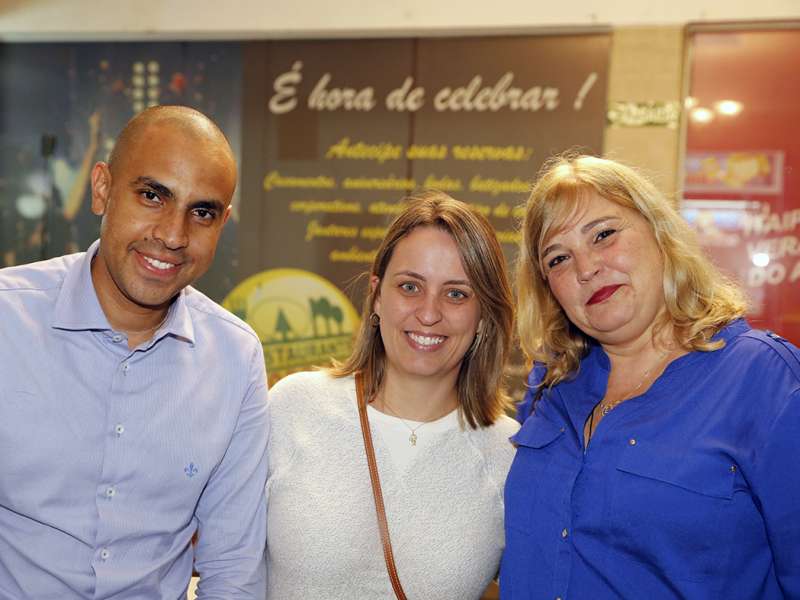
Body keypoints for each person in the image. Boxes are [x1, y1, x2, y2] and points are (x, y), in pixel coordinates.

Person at [500, 154, 800, 599]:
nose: (586, 268)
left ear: (661, 233)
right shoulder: (553, 383)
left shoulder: (766, 379)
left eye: (603, 235)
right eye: (558, 259)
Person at [0, 106, 268, 599]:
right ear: (102, 188)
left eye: (202, 212)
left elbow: (233, 567)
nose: (173, 235)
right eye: (152, 196)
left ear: (222, 223)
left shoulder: (236, 358)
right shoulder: (7, 321)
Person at [266, 191, 519, 599]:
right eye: (410, 286)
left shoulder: (508, 454)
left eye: (456, 293)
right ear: (378, 295)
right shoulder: (294, 408)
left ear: (484, 316)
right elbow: (225, 566)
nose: (429, 313)